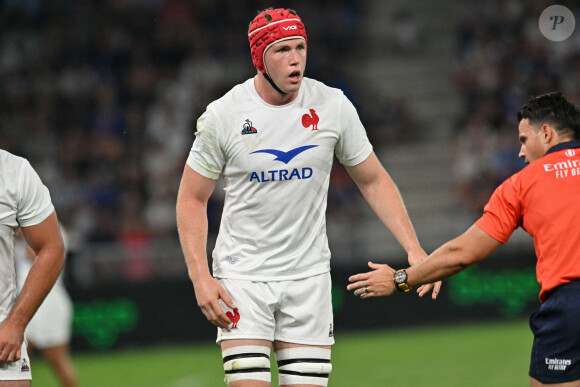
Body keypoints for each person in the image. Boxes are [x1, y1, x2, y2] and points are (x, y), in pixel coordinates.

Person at [176, 7, 440, 387]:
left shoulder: (333, 105)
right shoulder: (224, 116)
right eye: (282, 50)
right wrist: (200, 277)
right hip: (242, 278)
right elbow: (191, 199)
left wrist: (413, 249)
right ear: (259, 57)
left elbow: (373, 180)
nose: (295, 58)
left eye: (300, 47)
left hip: (308, 279)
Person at [347, 91, 580, 386]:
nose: (520, 152)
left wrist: (400, 280)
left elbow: (463, 252)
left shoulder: (523, 183)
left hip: (571, 307)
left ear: (546, 133)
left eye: (523, 140)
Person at [0, 149, 66, 386]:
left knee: (59, 363)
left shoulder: (14, 172)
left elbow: (52, 248)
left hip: (2, 339)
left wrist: (15, 324)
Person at [15, 226, 77, 387]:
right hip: (23, 303)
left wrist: (21, 232)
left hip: (48, 304)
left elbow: (34, 255)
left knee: (57, 361)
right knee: (15, 364)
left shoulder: (53, 228)